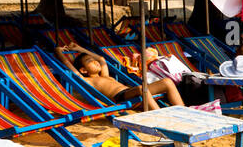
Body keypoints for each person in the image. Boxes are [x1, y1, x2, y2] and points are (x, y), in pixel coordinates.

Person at [55, 43, 184, 107]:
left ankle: (183, 111)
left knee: (167, 82)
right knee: (141, 88)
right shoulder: (86, 80)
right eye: (89, 61)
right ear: (83, 70)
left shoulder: (104, 75)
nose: (94, 62)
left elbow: (101, 59)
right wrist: (58, 51)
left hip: (130, 92)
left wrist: (79, 49)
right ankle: (160, 116)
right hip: (120, 97)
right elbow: (68, 65)